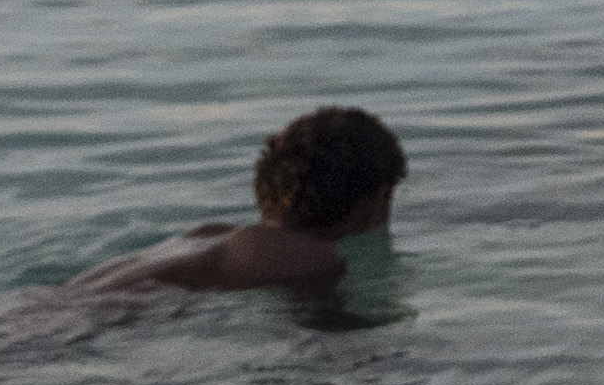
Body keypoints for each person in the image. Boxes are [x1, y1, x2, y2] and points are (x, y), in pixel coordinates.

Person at [67, 105, 407, 297]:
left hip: (38, 309)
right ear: (375, 199)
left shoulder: (210, 234)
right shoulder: (311, 257)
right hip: (71, 335)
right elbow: (323, 347)